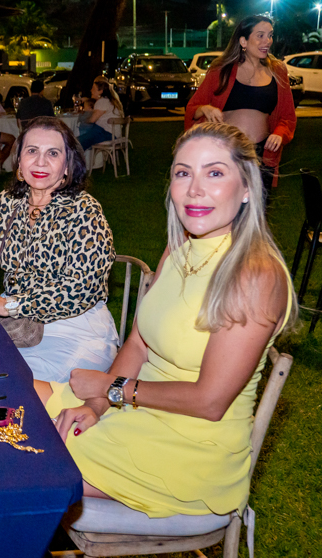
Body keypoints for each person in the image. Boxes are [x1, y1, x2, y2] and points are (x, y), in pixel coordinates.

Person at [36, 122, 297, 519]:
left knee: (19, 460)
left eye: (214, 173)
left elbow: (210, 401)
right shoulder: (179, 248)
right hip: (132, 408)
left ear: (247, 187)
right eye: (183, 173)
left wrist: (111, 387)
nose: (194, 189)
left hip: (188, 449)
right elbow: (139, 343)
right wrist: (97, 404)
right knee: (14, 397)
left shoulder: (255, 275)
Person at [0, 116, 119, 382]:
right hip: (17, 325)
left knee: (8, 380)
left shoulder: (84, 210)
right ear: (19, 161)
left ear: (67, 165)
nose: (40, 162)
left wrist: (7, 304)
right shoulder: (8, 202)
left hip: (74, 328)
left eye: (53, 153)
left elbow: (79, 290)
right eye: (32, 151)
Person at [185, 14, 296, 197]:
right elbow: (192, 108)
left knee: (258, 209)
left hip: (262, 154)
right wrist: (205, 109)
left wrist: (279, 134)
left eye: (270, 35)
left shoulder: (278, 71)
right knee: (226, 207)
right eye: (260, 35)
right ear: (243, 41)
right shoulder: (221, 69)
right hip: (226, 152)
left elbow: (288, 116)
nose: (267, 41)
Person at [77, 76, 124, 150]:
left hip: (106, 133)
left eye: (93, 88)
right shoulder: (109, 100)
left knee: (77, 142)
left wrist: (82, 118)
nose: (91, 90)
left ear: (100, 91)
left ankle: (74, 155)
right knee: (82, 140)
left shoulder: (102, 101)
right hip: (114, 133)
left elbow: (92, 120)